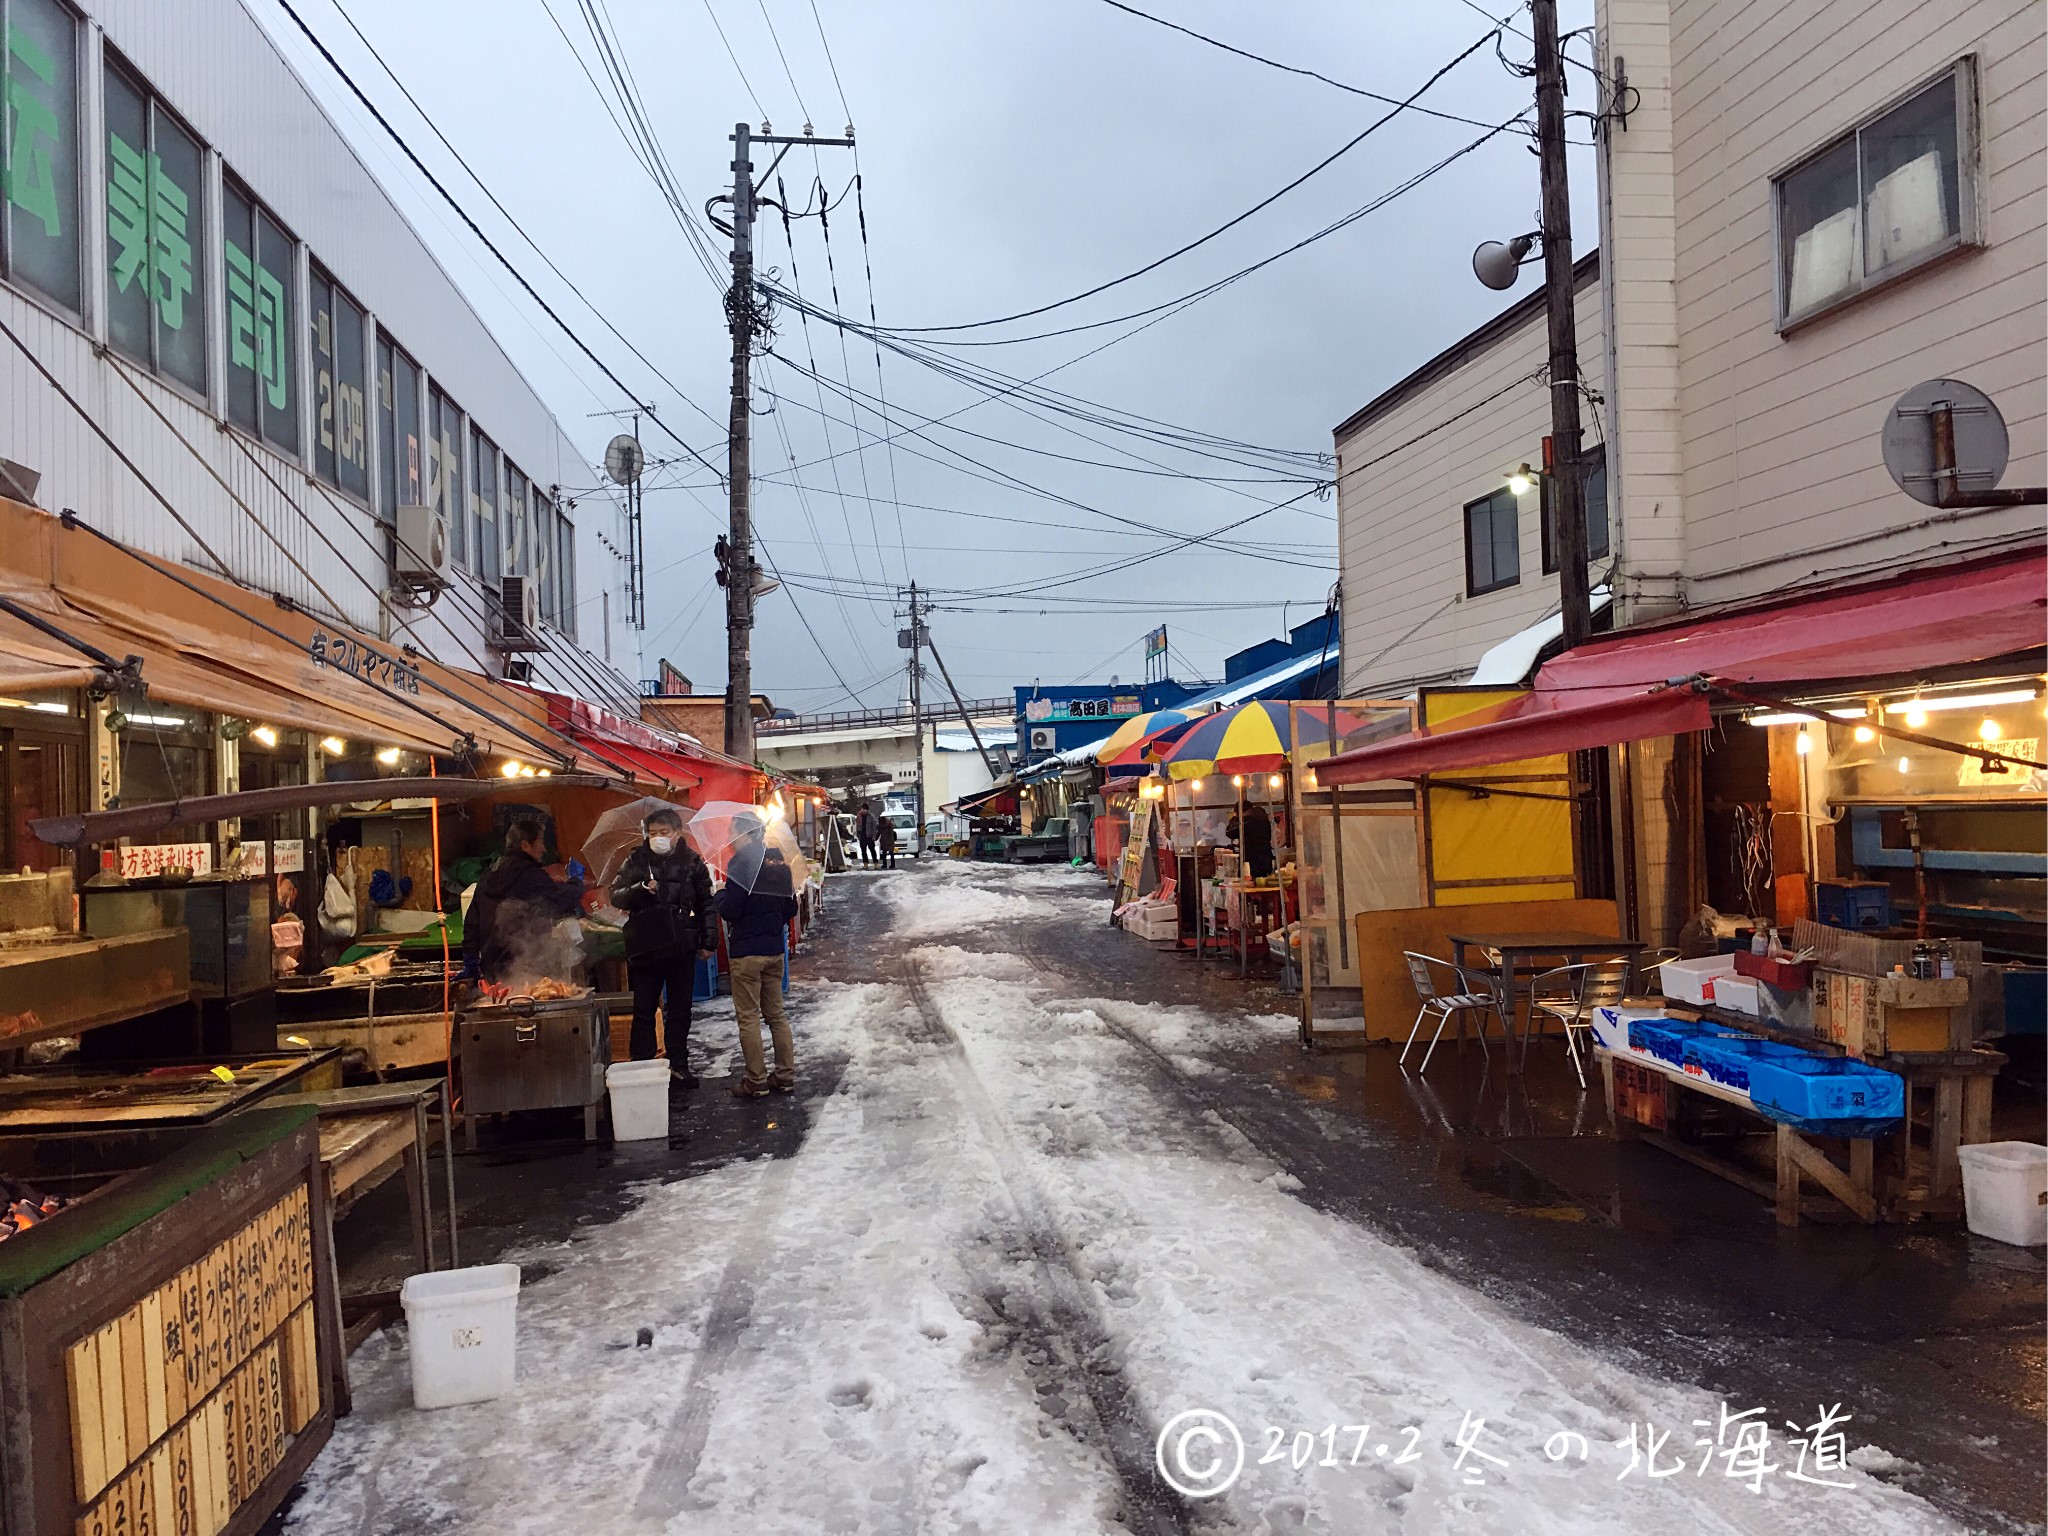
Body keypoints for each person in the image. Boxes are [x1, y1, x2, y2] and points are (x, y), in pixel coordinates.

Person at [609, 808, 716, 1079]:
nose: (657, 838)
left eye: (663, 833)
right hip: (647, 945)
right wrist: (640, 889)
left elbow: (706, 904)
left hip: (682, 943)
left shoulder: (693, 863)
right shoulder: (635, 860)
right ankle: (642, 1065)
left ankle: (678, 1063)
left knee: (681, 1008)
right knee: (643, 1008)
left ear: (676, 834)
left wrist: (709, 941)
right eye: (652, 833)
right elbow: (616, 896)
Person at [719, 847, 800, 1098]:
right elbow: (791, 909)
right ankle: (785, 1076)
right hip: (774, 950)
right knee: (776, 1015)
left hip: (747, 952)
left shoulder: (742, 865)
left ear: (744, 835)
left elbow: (730, 910)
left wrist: (720, 896)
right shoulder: (780, 867)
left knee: (749, 1017)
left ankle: (756, 1080)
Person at [465, 818, 584, 982]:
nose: (543, 848)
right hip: (527, 968)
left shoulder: (488, 875)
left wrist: (470, 958)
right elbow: (563, 899)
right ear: (525, 845)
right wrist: (576, 881)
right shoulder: (530, 876)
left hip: (492, 970)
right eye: (540, 842)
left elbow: (472, 921)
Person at [1226, 802, 1275, 879]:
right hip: (1266, 857)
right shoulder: (1263, 818)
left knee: (1251, 885)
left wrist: (1234, 818)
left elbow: (1230, 833)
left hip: (1251, 861)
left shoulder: (1247, 820)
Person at [856, 804, 879, 868]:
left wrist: (874, 836)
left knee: (872, 849)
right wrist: (858, 835)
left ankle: (875, 863)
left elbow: (874, 827)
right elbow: (857, 826)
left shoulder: (871, 816)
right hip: (862, 835)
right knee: (863, 850)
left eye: (863, 809)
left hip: (869, 835)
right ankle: (865, 863)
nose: (861, 810)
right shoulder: (859, 816)